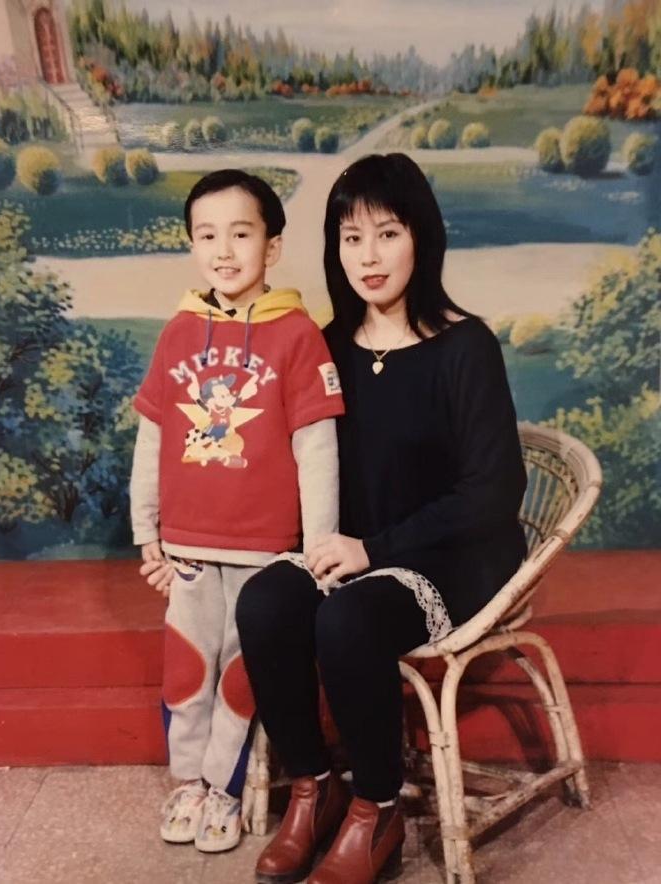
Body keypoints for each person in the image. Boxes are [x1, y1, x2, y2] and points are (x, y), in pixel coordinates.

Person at [236, 153, 527, 884]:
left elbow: (493, 492)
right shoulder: (328, 344)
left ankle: (377, 806)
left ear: (422, 236)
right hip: (357, 545)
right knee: (265, 600)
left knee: (348, 618)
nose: (368, 256)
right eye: (351, 237)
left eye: (387, 233)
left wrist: (375, 549)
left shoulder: (465, 346)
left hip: (454, 553)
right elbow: (290, 456)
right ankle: (314, 788)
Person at [130, 169, 344, 854]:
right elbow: (153, 435)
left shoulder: (298, 335)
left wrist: (319, 547)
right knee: (187, 670)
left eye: (241, 234)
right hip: (188, 545)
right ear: (192, 243)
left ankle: (223, 789)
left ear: (272, 246)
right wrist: (146, 530)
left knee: (239, 675)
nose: (223, 251)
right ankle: (187, 783)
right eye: (207, 235)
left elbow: (317, 448)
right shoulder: (177, 333)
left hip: (264, 550)